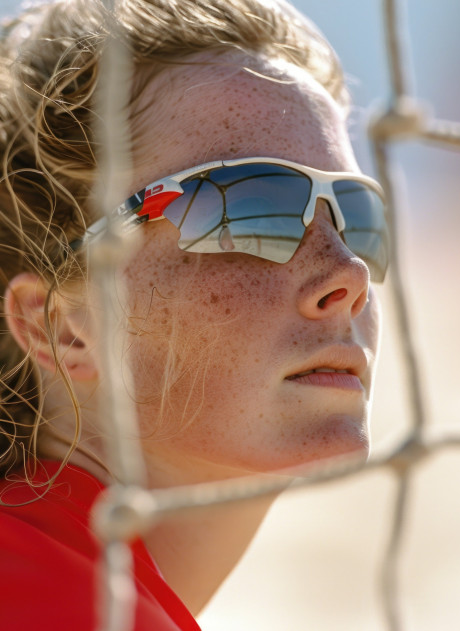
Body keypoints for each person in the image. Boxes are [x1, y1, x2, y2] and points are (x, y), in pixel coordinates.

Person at [0, 0, 388, 629]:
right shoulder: (56, 603)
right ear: (62, 327)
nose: (350, 275)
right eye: (250, 211)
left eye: (358, 219)